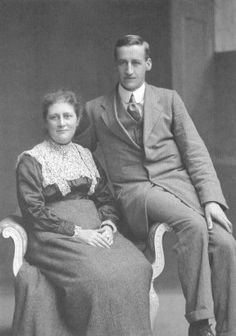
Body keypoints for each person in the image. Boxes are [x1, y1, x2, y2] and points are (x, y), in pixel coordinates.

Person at [75, 35, 236, 336]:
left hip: (179, 187)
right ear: (116, 65)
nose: (129, 69)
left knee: (226, 243)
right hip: (135, 193)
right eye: (123, 62)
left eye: (136, 62)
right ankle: (200, 323)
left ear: (147, 64)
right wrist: (43, 163)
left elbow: (195, 153)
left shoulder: (169, 99)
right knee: (193, 224)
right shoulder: (97, 109)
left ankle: (228, 330)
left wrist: (211, 199)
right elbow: (77, 153)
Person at [16, 90, 153, 336]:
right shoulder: (31, 160)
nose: (61, 123)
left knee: (139, 267)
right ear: (45, 121)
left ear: (77, 120)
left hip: (95, 229)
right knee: (97, 277)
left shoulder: (86, 156)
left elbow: (105, 198)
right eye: (54, 117)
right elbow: (33, 211)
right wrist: (78, 233)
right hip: (53, 235)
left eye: (67, 116)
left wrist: (109, 225)